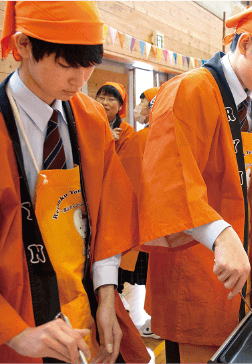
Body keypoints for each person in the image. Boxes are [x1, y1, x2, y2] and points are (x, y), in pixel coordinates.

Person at [0, 2, 149, 363]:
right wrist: (16, 334)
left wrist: (107, 296)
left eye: (89, 65)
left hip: (88, 305)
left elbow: (108, 213)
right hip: (19, 324)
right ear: (24, 45)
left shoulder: (91, 119)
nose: (80, 81)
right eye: (66, 65)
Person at [137, 3, 252, 362]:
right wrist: (222, 236)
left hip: (242, 264)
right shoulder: (188, 91)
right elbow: (170, 185)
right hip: (195, 268)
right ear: (245, 43)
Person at [116, 87, 159, 339]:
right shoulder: (165, 135)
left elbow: (126, 182)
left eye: (143, 102)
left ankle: (147, 322)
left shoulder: (140, 139)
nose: (138, 107)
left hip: (140, 219)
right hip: (159, 219)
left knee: (136, 276)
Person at [94, 82, 134, 153]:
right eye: (101, 98)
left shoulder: (126, 130)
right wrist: (107, 138)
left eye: (111, 99)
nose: (105, 103)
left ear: (120, 106)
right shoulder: (86, 123)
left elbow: (123, 160)